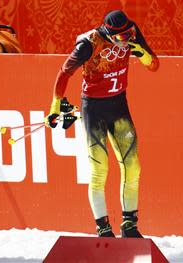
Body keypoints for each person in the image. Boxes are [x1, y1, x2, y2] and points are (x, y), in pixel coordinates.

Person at [45, 10, 159, 238]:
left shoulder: (131, 32)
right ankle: (103, 228)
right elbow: (64, 72)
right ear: (108, 33)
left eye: (128, 34)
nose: (125, 40)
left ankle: (129, 226)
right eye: (120, 38)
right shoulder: (88, 44)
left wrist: (142, 54)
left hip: (118, 105)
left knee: (132, 166)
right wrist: (55, 105)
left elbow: (154, 65)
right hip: (94, 109)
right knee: (99, 170)